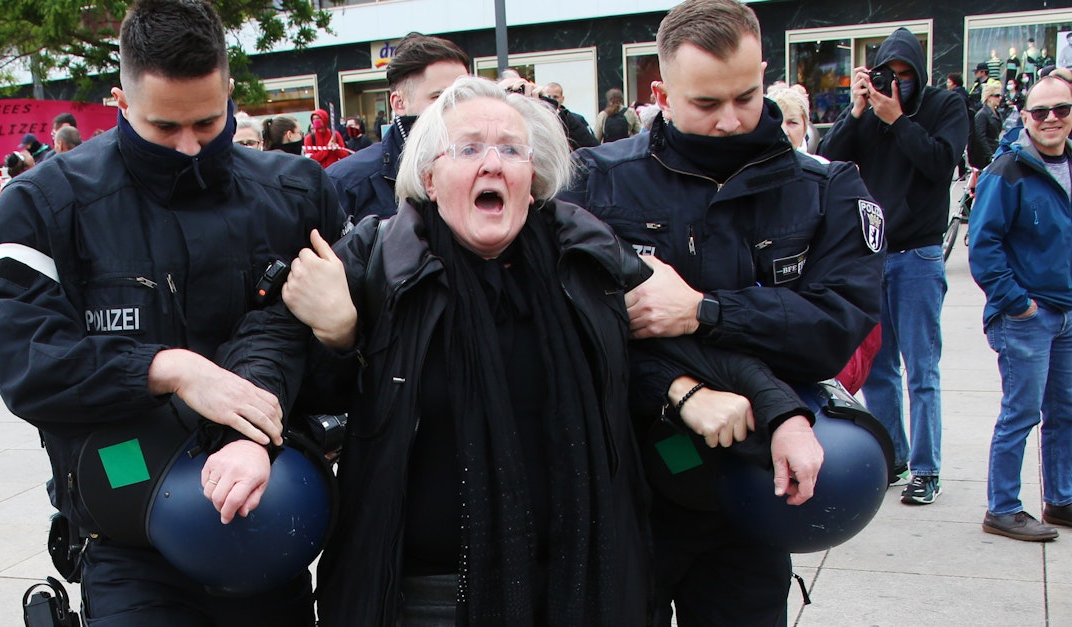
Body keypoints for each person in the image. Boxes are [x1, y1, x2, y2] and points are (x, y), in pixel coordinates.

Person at [277, 74, 778, 625]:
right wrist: (339, 336)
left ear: (532, 179)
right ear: (429, 176)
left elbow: (670, 346)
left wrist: (773, 409)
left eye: (511, 150)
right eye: (468, 148)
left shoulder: (586, 258)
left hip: (579, 585)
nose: (492, 163)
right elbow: (307, 378)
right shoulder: (376, 259)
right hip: (427, 598)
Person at [0, 0, 345, 622]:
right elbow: (25, 363)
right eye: (164, 128)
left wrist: (342, 332)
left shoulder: (297, 192)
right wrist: (166, 368)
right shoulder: (44, 203)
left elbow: (335, 372)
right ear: (120, 101)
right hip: (125, 534)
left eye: (207, 121)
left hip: (267, 522)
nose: (191, 147)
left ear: (229, 90)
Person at [560, 1, 882, 623]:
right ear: (661, 91)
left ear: (766, 71)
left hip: (755, 489)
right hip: (625, 487)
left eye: (747, 95)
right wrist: (683, 388)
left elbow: (833, 330)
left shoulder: (827, 188)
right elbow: (583, 338)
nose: (731, 121)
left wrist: (703, 311)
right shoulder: (594, 183)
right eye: (706, 104)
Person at [821, 25, 968, 503]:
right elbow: (829, 162)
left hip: (919, 254)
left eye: (906, 75)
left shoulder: (943, 106)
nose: (898, 83)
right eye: (890, 74)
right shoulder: (871, 111)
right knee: (879, 368)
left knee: (922, 368)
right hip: (875, 254)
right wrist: (858, 109)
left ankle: (927, 469)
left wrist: (898, 119)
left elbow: (939, 164)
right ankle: (893, 455)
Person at [967, 74, 1072, 543]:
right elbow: (983, 246)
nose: (1050, 120)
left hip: (1068, 312)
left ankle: (1060, 499)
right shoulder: (1009, 170)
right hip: (1027, 318)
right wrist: (1018, 305)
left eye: (1060, 110)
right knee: (1021, 414)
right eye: (1040, 112)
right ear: (1024, 117)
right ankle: (1002, 507)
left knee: (1065, 411)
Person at [328, 32, 472, 222]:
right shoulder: (347, 183)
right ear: (399, 103)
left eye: (464, 96)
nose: (456, 108)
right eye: (440, 97)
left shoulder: (489, 167)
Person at [539, 82, 602, 149]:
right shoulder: (538, 120)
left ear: (562, 99)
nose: (551, 100)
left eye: (555, 97)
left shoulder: (576, 120)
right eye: (548, 97)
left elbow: (592, 145)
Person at [968, 79, 1007, 172]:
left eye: (1000, 95)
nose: (1000, 98)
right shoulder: (982, 114)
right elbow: (980, 137)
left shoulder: (997, 113)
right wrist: (990, 154)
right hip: (983, 156)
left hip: (995, 150)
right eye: (997, 95)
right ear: (989, 97)